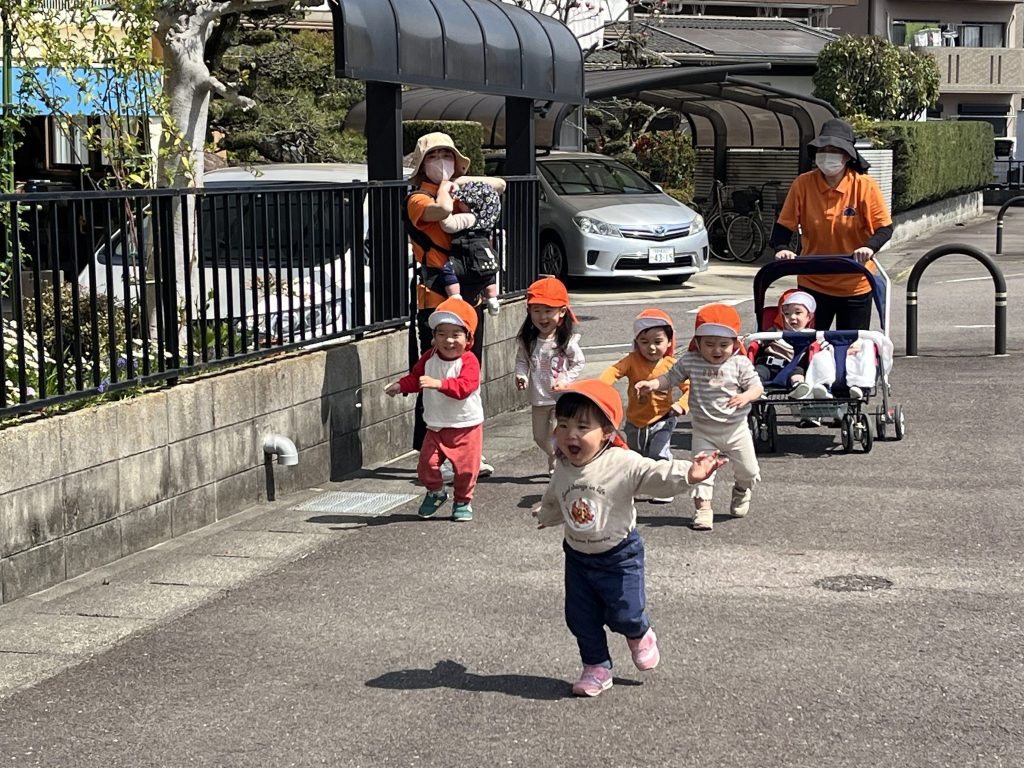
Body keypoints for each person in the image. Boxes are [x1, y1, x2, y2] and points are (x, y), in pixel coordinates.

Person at [532, 379, 727, 697]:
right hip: (578, 557)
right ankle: (596, 667)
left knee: (625, 611)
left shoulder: (622, 463)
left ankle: (639, 633)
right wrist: (546, 515)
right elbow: (556, 497)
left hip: (619, 554)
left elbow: (655, 475)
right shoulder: (564, 466)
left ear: (607, 431)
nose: (571, 434)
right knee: (580, 617)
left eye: (583, 426)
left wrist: (689, 474)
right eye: (563, 425)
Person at [406, 132, 506, 475]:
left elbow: (501, 183)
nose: (442, 162)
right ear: (422, 165)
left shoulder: (461, 188)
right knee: (434, 378)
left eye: (447, 155)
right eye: (434, 156)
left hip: (470, 298)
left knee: (468, 377)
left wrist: (457, 180)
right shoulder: (418, 199)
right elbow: (443, 211)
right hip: (436, 300)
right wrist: (450, 189)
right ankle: (432, 454)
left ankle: (468, 451)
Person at [635, 304, 763, 532]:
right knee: (702, 471)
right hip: (704, 430)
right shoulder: (691, 361)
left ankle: (742, 489)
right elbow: (670, 378)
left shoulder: (740, 363)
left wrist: (746, 397)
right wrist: (653, 384)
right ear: (698, 342)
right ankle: (703, 510)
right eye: (709, 344)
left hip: (736, 429)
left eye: (723, 345)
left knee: (749, 471)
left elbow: (757, 387)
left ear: (734, 343)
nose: (716, 350)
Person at [770, 118, 893, 331]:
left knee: (851, 347)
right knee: (810, 347)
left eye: (834, 150)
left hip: (854, 281)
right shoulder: (803, 184)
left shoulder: (864, 186)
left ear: (846, 155)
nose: (827, 155)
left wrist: (869, 247)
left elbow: (884, 227)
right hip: (813, 280)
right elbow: (784, 226)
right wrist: (781, 249)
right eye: (823, 149)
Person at [384, 297, 483, 522]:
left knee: (466, 469)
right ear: (433, 337)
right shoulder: (429, 357)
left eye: (455, 334)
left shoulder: (468, 360)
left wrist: (439, 384)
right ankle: (436, 492)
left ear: (468, 338)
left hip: (466, 425)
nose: (448, 340)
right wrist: (400, 386)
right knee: (426, 465)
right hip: (436, 424)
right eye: (441, 334)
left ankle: (463, 501)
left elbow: (465, 387)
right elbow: (416, 377)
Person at [598, 308, 690, 504]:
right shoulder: (632, 361)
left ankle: (664, 488)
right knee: (635, 455)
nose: (651, 348)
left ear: (669, 342)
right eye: (644, 342)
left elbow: (690, 388)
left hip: (663, 419)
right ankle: (637, 485)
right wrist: (599, 387)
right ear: (636, 343)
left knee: (659, 454)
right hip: (635, 420)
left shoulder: (672, 365)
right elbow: (614, 371)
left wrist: (681, 405)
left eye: (658, 342)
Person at [514, 276, 585, 474]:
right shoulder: (528, 340)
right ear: (529, 311)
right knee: (539, 436)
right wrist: (522, 376)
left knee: (556, 434)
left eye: (548, 311)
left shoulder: (566, 340)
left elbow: (579, 362)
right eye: (536, 310)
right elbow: (522, 361)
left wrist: (566, 380)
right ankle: (557, 457)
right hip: (538, 397)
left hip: (559, 398)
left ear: (562, 311)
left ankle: (557, 465)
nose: (542, 317)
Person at [436, 180, 503, 315]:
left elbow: (448, 225)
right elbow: (500, 185)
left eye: (463, 201)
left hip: (467, 257)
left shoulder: (469, 218)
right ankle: (492, 297)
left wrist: (444, 197)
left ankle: (454, 295)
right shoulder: (487, 218)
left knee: (447, 270)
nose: (458, 202)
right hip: (484, 256)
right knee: (488, 274)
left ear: (473, 206)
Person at [747, 289, 828, 400]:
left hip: (792, 365)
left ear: (809, 317)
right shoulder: (775, 331)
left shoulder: (811, 335)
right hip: (768, 363)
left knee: (798, 373)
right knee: (758, 372)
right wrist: (752, 339)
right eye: (787, 314)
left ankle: (798, 386)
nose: (792, 317)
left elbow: (822, 345)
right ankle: (757, 390)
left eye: (798, 313)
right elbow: (759, 340)